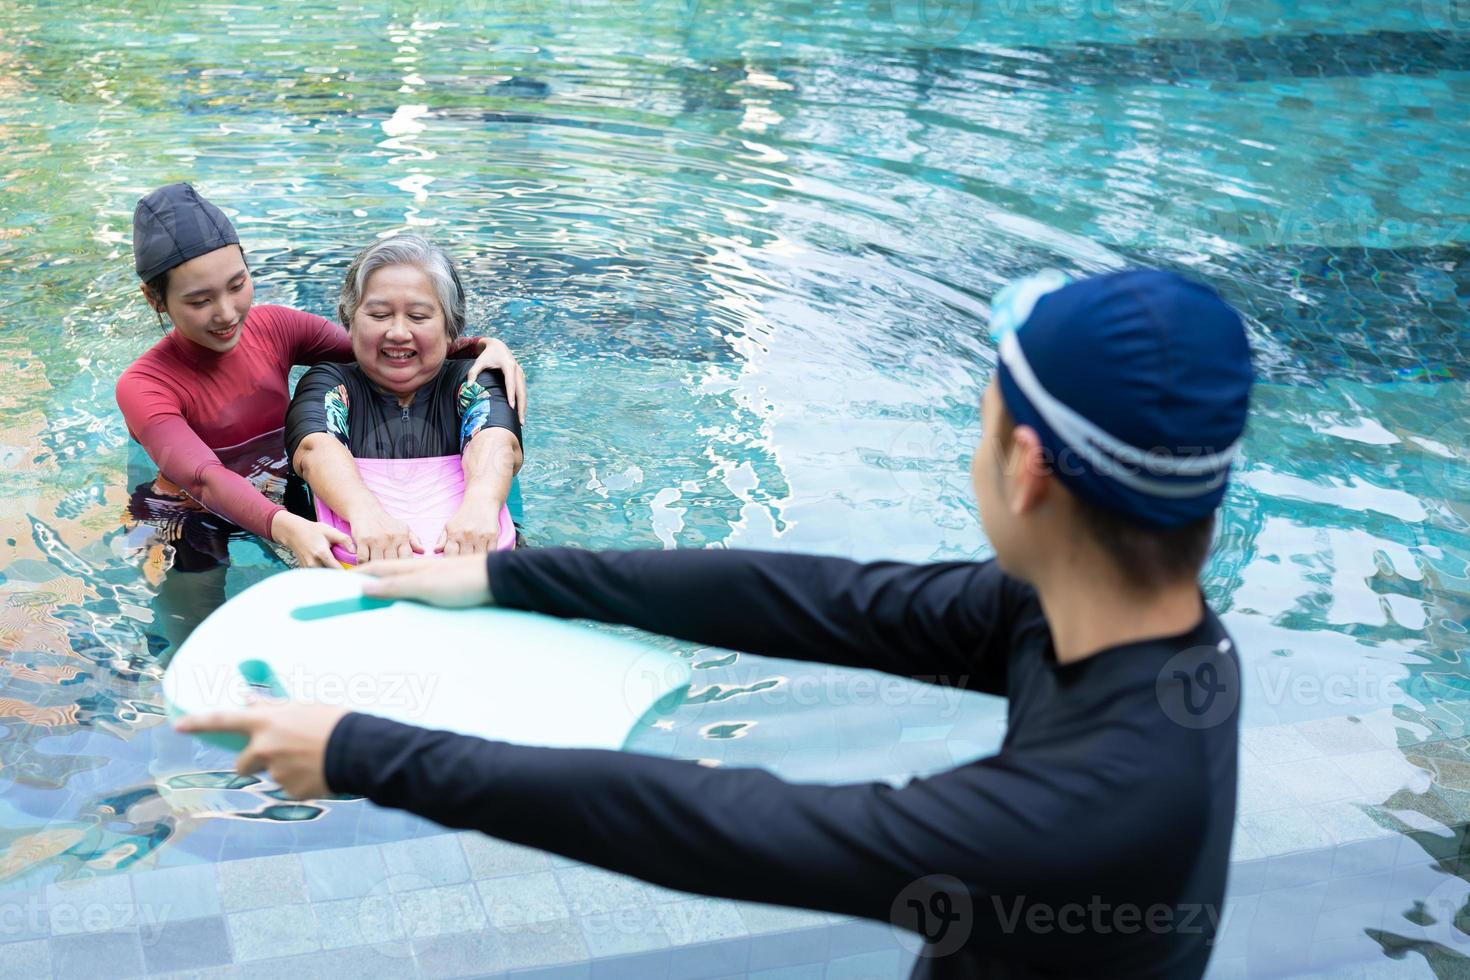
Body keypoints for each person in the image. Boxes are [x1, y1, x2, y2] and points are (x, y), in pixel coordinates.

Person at [179, 269, 1253, 978]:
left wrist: (362, 748)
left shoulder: (1096, 805)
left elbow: (713, 819)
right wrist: (501, 581)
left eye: (980, 417)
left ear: (1026, 471)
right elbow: (795, 595)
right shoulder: (1114, 620)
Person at [116, 183, 527, 572]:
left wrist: (481, 346)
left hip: (278, 486)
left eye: (237, 285)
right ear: (155, 298)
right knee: (193, 617)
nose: (226, 312)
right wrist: (287, 527)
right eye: (200, 301)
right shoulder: (144, 385)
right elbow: (203, 479)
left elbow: (380, 351)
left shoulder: (275, 327)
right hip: (190, 509)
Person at [285, 235, 524, 561]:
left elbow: (497, 439)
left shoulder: (472, 378)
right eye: (380, 315)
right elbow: (314, 447)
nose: (398, 332)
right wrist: (365, 511)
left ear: (450, 328)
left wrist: (479, 507)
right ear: (349, 321)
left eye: (419, 317)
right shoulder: (330, 381)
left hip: (472, 547)